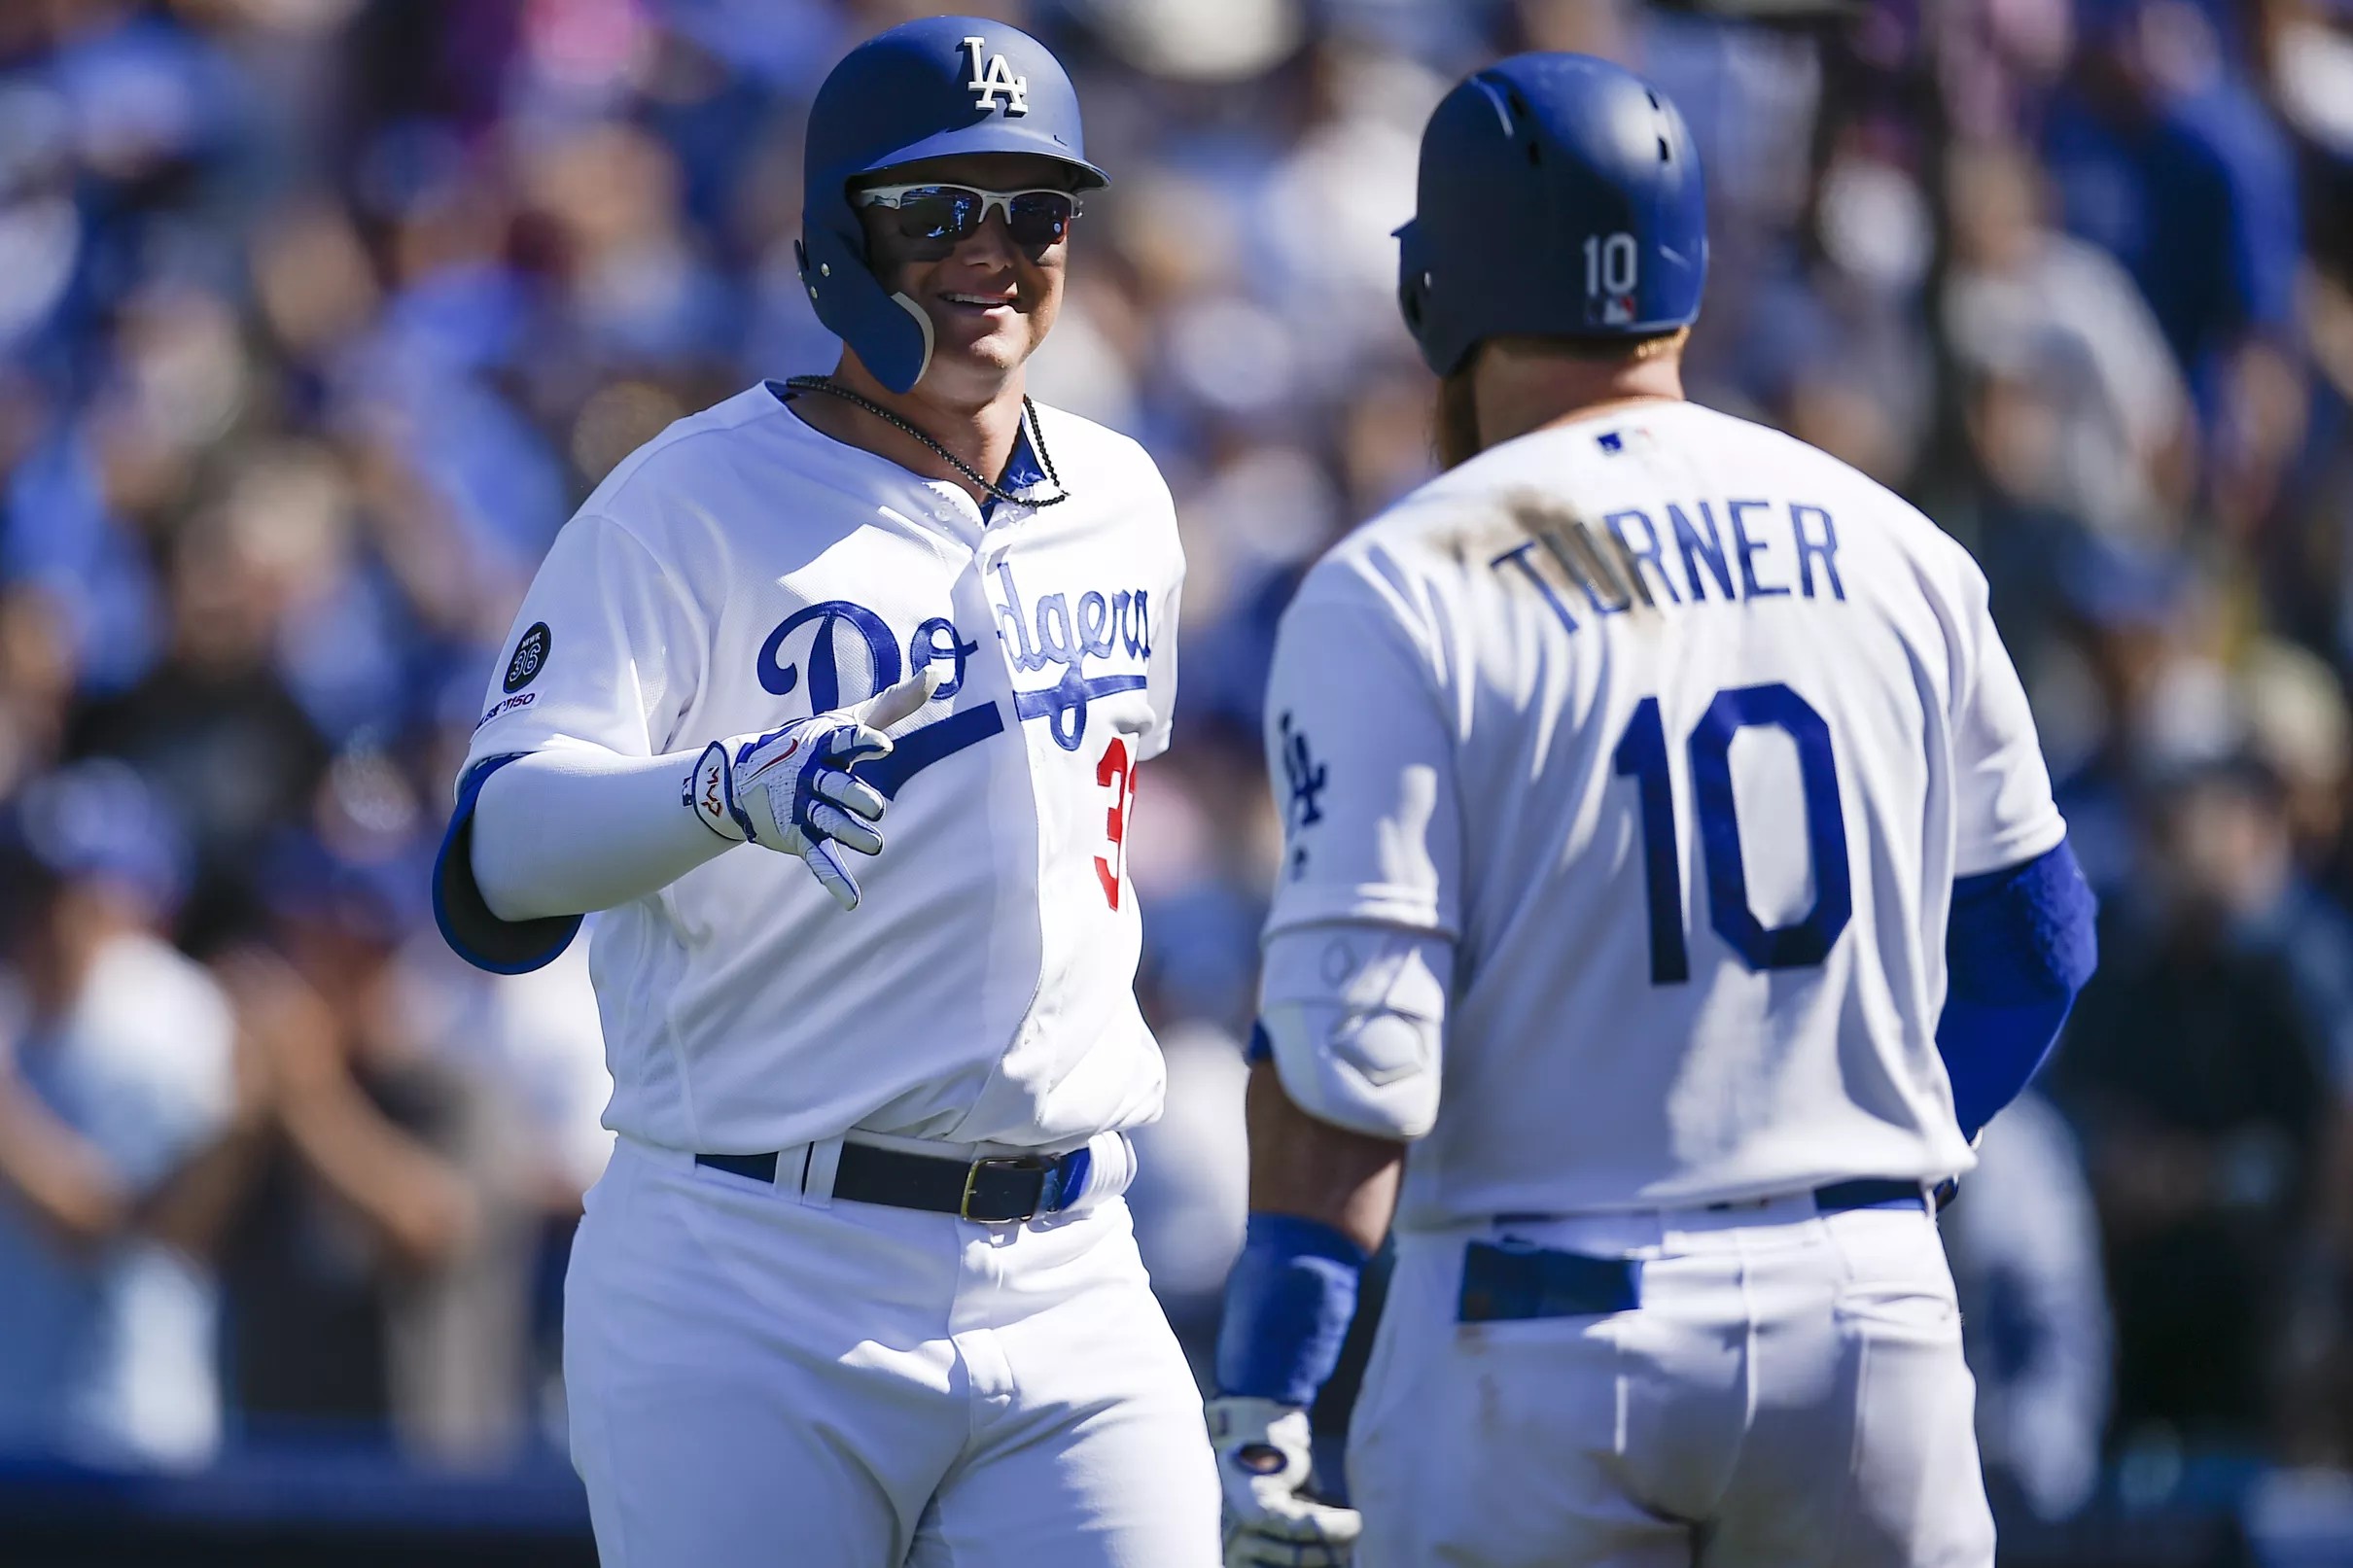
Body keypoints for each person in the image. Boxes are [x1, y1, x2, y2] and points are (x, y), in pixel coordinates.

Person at [1208, 53, 2100, 1568]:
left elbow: (1348, 1061)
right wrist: (1852, 1169)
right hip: (1868, 1323)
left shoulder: (1402, 580)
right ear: (1683, 284)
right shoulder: (1900, 546)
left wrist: (1270, 1393)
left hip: (1550, 1331)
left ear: (1439, 294)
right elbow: (2037, 944)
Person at [429, 17, 1216, 1566]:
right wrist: (719, 792)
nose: (992, 252)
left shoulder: (1126, 501)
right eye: (939, 211)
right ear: (838, 230)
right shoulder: (689, 500)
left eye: (1034, 211)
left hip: (1072, 1267)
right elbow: (493, 861)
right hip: (754, 1266)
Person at [0, 761, 246, 1468]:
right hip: (18, 1431)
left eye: (72, 889)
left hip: (131, 1432)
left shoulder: (169, 1018)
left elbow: (106, 1221)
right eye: (28, 886)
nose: (45, 915)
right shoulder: (15, 1013)